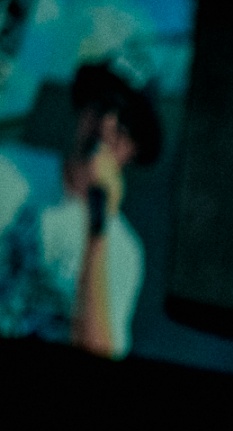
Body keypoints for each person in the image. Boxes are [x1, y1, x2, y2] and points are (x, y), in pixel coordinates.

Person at [0, 61, 158, 357]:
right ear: (83, 110)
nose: (106, 126)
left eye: (124, 122)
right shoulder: (8, 170)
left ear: (134, 149)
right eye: (102, 106)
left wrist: (97, 228)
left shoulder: (124, 252)